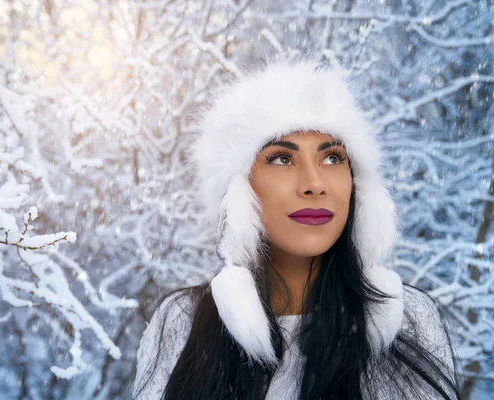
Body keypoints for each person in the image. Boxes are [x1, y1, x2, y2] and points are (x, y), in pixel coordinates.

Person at [132, 57, 461, 399]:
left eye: (332, 157)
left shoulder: (409, 320)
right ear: (240, 192)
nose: (315, 184)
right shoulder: (183, 322)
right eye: (282, 158)